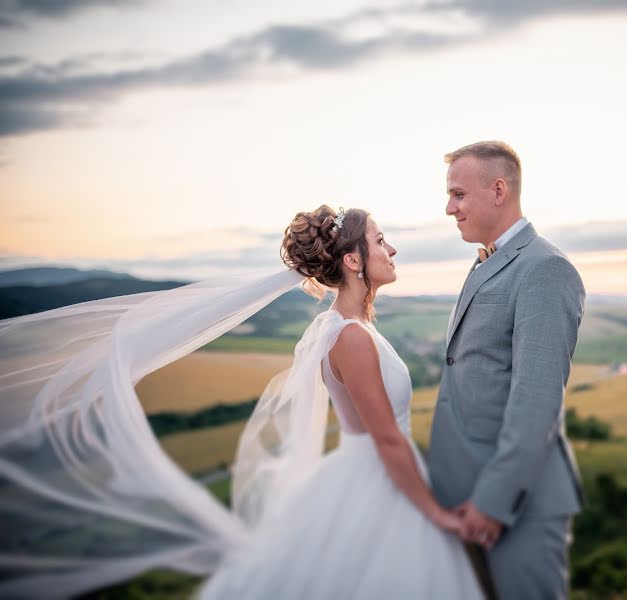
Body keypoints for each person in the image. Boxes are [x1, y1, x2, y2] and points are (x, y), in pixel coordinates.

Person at [0, 205, 484, 598]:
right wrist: (436, 514)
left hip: (371, 478)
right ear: (353, 261)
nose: (391, 248)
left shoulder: (346, 329)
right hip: (380, 485)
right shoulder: (352, 338)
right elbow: (387, 440)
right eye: (380, 240)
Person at [427, 141, 587, 599]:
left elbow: (536, 402)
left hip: (516, 508)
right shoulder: (488, 262)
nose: (448, 208)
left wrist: (494, 503)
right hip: (466, 500)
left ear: (498, 189)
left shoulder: (545, 269)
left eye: (458, 194)